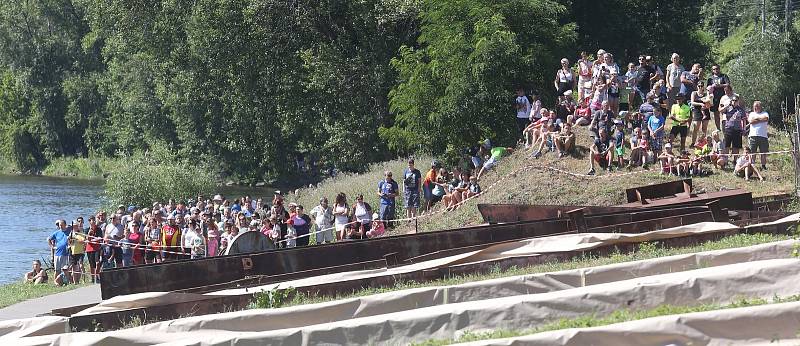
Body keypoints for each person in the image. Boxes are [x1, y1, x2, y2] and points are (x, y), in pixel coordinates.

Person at [707, 64, 731, 130]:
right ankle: (718, 128)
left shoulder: (724, 76)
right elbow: (708, 88)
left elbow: (728, 84)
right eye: (714, 69)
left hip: (723, 97)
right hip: (714, 98)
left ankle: (726, 127)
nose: (716, 70)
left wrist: (719, 85)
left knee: (725, 112)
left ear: (719, 69)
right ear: (712, 70)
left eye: (717, 68)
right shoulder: (710, 78)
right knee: (716, 114)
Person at [748, 100, 769, 170]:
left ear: (760, 107)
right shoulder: (751, 114)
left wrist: (757, 119)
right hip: (753, 136)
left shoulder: (765, 113)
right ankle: (752, 165)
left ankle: (763, 166)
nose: (755, 108)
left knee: (763, 152)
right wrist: (760, 119)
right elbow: (751, 121)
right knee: (752, 152)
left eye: (757, 106)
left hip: (763, 136)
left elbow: (766, 119)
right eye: (754, 106)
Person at [723, 96, 746, 161]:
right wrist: (727, 105)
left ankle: (735, 160)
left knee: (736, 146)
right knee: (726, 145)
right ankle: (726, 160)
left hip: (737, 130)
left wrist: (744, 129)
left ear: (738, 101)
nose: (734, 102)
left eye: (735, 100)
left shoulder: (741, 110)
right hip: (728, 129)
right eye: (733, 100)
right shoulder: (728, 108)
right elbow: (721, 110)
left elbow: (744, 120)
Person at [690, 82, 712, 146]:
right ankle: (693, 142)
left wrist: (706, 104)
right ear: (697, 86)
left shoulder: (706, 94)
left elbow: (710, 103)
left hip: (705, 110)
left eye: (701, 86)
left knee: (704, 128)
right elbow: (692, 102)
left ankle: (703, 142)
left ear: (703, 86)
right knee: (696, 128)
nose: (700, 87)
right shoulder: (694, 93)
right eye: (699, 86)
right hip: (697, 111)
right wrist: (700, 104)